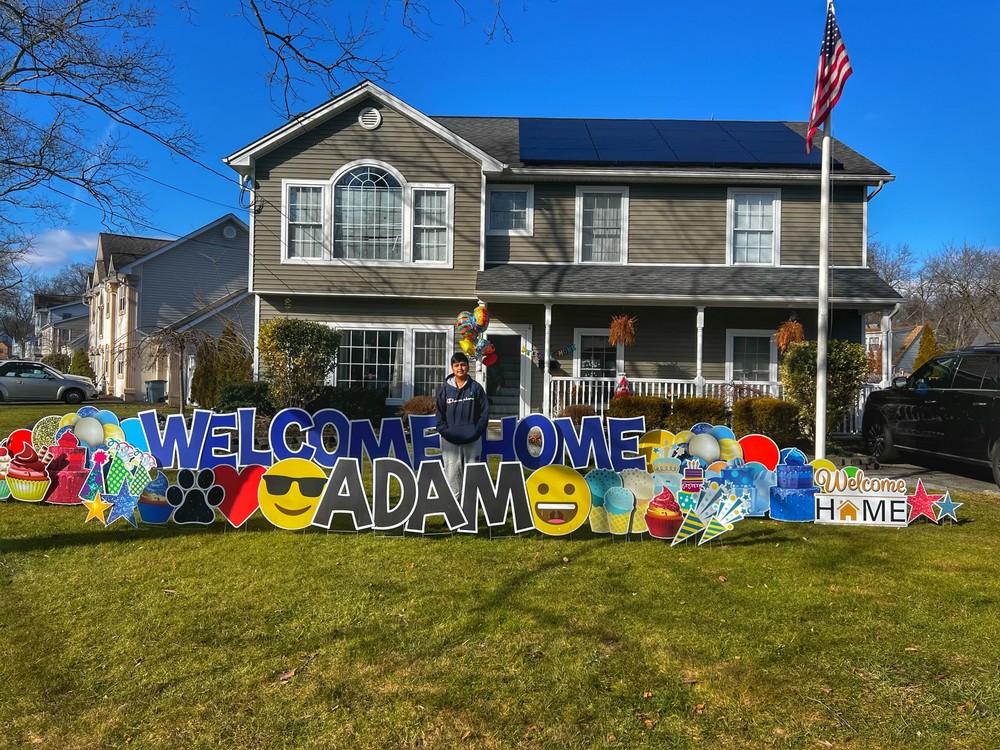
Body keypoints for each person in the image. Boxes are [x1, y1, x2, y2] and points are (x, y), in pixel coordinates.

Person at [435, 352, 489, 495]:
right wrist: (446, 432)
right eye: (456, 365)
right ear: (452, 368)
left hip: (473, 440)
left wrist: (476, 431)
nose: (460, 368)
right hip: (450, 442)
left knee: (473, 475)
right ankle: (454, 510)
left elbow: (484, 413)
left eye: (463, 364)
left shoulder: (476, 388)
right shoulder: (444, 390)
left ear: (467, 366)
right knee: (452, 475)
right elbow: (439, 417)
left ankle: (470, 507)